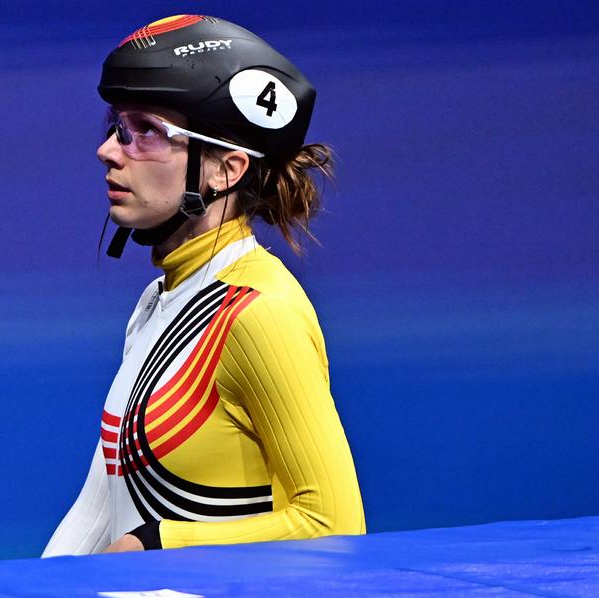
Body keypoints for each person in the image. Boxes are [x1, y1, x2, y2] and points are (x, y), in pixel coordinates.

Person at [44, 15, 366, 556]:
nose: (109, 150)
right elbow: (98, 511)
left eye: (145, 131)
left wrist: (160, 542)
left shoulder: (260, 313)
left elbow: (334, 523)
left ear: (226, 170)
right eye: (116, 126)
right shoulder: (157, 303)